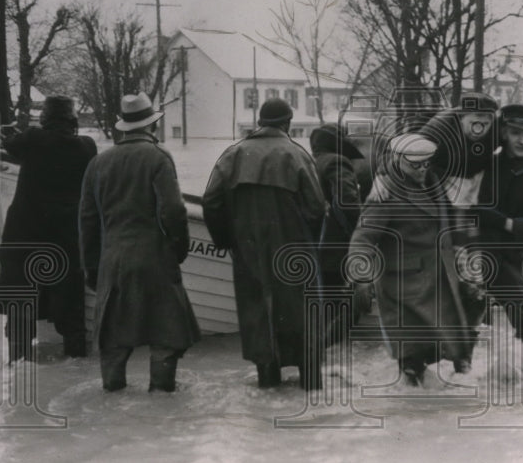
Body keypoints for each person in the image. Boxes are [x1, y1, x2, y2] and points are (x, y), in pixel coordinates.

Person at [202, 98, 327, 390]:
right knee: (302, 318)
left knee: (258, 315)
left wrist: (226, 239)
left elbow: (211, 201)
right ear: (287, 123)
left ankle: (267, 389)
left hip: (249, 250)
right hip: (295, 250)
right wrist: (310, 244)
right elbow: (317, 208)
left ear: (259, 122)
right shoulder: (297, 155)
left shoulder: (232, 155)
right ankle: (310, 390)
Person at [79, 93, 200, 392]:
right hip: (155, 258)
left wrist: (92, 268)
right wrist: (178, 249)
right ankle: (160, 398)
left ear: (123, 127)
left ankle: (114, 397)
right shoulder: (158, 157)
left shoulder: (98, 163)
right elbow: (173, 210)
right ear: (152, 126)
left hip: (112, 260)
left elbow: (87, 221)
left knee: (113, 339)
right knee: (166, 334)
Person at [348, 133, 470, 386]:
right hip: (405, 289)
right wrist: (360, 277)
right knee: (412, 360)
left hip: (440, 279)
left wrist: (464, 249)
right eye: (414, 164)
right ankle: (410, 409)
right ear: (397, 159)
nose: (421, 170)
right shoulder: (385, 193)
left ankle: (444, 408)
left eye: (426, 163)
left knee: (455, 350)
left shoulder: (433, 181)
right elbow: (363, 237)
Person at [0, 96, 98, 362]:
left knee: (20, 306)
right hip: (66, 238)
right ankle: (75, 365)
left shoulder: (33, 139)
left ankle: (17, 367)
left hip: (25, 237)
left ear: (44, 119)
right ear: (73, 121)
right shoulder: (87, 147)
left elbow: (10, 144)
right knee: (71, 312)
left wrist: (3, 133)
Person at [419, 91, 500, 372]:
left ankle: (464, 356)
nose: (480, 129)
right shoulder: (437, 129)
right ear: (460, 117)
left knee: (475, 284)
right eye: (474, 122)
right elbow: (402, 168)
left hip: (473, 203)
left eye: (485, 123)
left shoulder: (498, 129)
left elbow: (522, 153)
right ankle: (421, 359)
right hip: (437, 197)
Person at [469, 104, 523, 348]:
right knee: (467, 329)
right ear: (504, 133)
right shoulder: (489, 164)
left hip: (512, 257)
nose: (522, 140)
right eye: (516, 133)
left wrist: (506, 222)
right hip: (477, 254)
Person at [309, 123, 371, 342]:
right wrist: (363, 234)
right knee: (338, 305)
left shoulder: (310, 163)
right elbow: (348, 203)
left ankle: (318, 355)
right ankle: (330, 353)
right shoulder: (337, 162)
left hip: (315, 246)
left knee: (322, 303)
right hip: (337, 247)